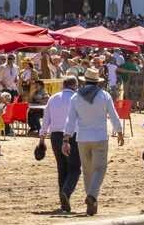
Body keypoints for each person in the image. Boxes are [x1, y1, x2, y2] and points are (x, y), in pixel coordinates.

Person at [63, 67, 125, 217]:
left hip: (82, 138)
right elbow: (113, 115)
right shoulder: (104, 96)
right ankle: (92, 196)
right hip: (100, 137)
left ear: (84, 81)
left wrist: (66, 138)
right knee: (100, 169)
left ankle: (92, 200)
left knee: (87, 171)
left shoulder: (76, 97)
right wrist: (119, 131)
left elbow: (70, 120)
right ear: (97, 82)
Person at [41, 75, 82, 213]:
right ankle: (66, 192)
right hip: (72, 135)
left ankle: (63, 199)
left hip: (55, 136)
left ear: (63, 85)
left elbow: (46, 119)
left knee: (62, 167)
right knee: (75, 168)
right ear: (75, 85)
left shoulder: (53, 98)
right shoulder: (77, 98)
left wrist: (41, 138)